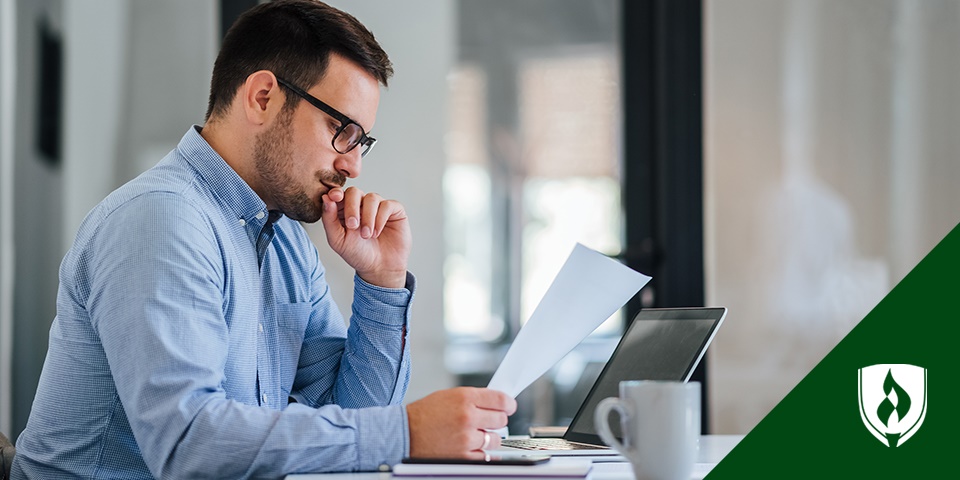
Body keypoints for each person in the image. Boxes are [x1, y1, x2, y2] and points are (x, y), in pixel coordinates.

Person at [10, 1, 515, 478]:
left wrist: (381, 282)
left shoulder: (287, 243)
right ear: (262, 97)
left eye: (361, 141)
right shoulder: (162, 219)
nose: (353, 165)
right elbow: (188, 446)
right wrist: (405, 434)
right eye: (341, 130)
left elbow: (348, 419)